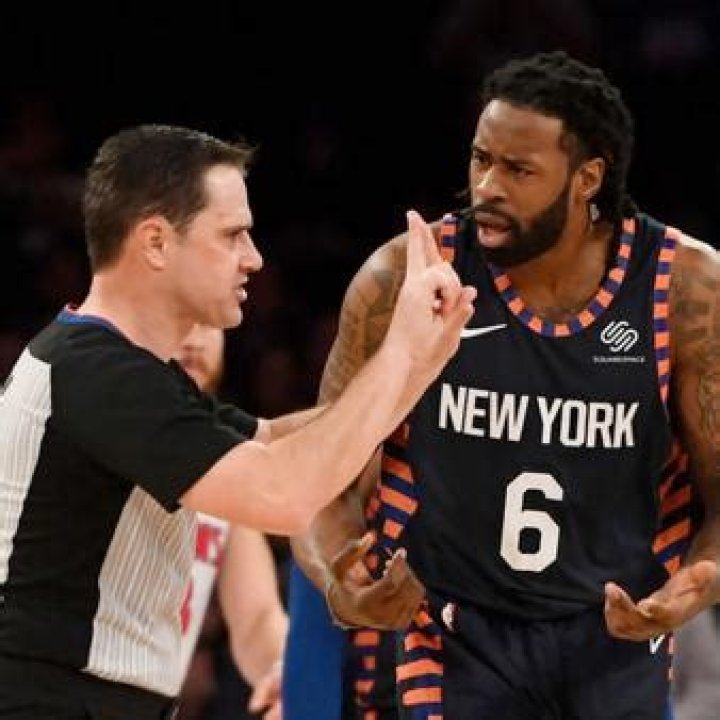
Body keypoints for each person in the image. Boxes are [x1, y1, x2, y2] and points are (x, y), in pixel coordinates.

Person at [291, 50, 720, 720]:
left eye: (518, 170)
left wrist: (699, 581)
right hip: (456, 636)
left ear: (588, 178)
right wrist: (336, 582)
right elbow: (324, 479)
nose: (487, 185)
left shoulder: (686, 291)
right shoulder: (408, 278)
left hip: (615, 635)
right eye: (480, 159)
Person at [0, 123, 476, 719]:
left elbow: (272, 438)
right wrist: (399, 351)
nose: (254, 258)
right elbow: (284, 492)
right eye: (232, 235)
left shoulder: (114, 368)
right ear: (155, 242)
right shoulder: (97, 374)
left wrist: (421, 370)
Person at [174, 324, 286, 720]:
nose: (194, 338)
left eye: (208, 320)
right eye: (179, 314)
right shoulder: (80, 424)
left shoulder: (226, 458)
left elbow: (256, 618)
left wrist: (283, 670)